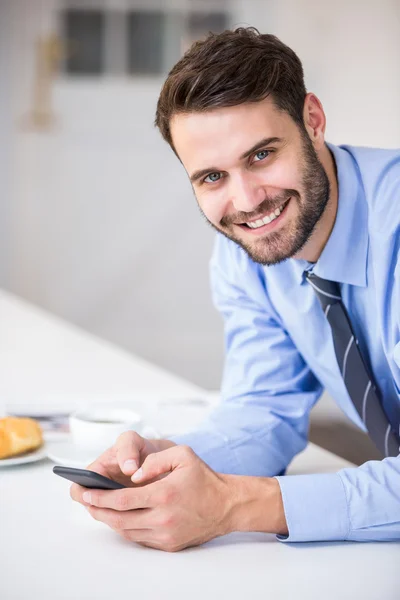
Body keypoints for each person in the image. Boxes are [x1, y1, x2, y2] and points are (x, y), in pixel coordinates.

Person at [70, 27, 400, 552]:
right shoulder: (245, 253)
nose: (247, 201)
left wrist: (235, 505)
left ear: (312, 120)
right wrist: (169, 461)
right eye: (211, 177)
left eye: (262, 155)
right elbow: (265, 410)